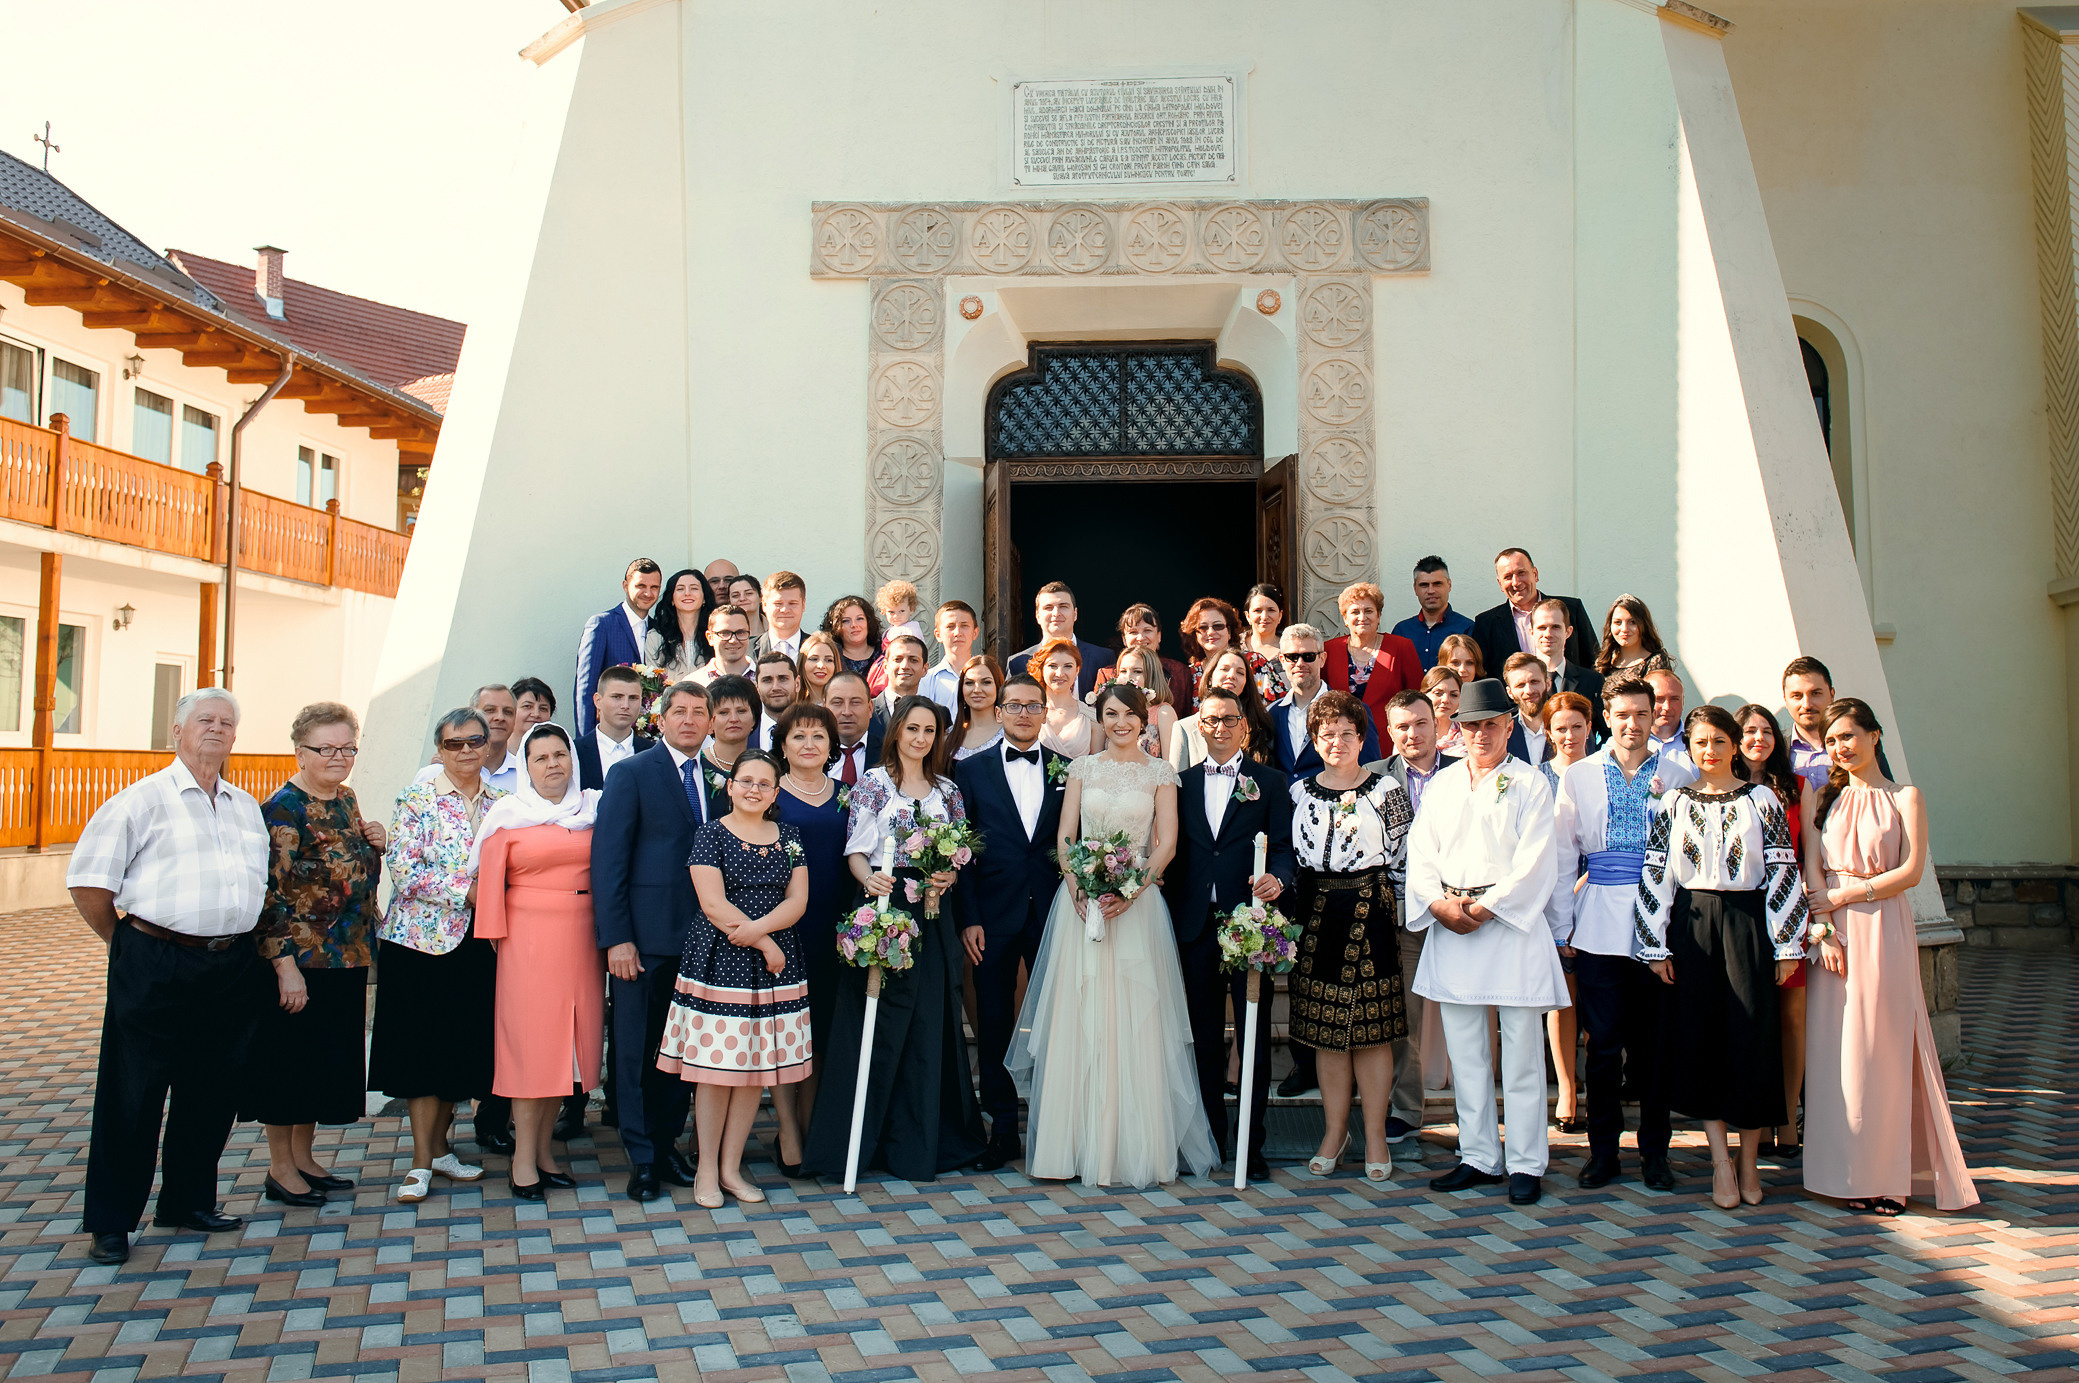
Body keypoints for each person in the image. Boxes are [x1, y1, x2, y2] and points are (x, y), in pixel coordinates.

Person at [68, 688, 271, 1265]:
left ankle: (186, 1202)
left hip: (230, 963)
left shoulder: (244, 806)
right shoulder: (140, 801)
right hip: (156, 960)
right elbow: (89, 882)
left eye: (226, 722)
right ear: (177, 732)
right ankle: (111, 1222)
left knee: (212, 1090)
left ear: (235, 736)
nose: (216, 729)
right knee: (134, 1094)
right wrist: (127, 946)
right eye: (204, 720)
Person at [1008, 682, 1217, 1186]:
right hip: (1081, 907)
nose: (1121, 722)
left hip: (1138, 908)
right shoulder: (1081, 768)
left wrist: (1131, 890)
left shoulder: (1161, 773)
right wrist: (1077, 885)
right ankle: (1071, 1149)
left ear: (1144, 718)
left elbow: (1166, 843)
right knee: (1081, 1016)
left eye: (1129, 714)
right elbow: (1066, 836)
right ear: (1099, 719)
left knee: (1136, 1017)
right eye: (1111, 714)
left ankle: (1133, 1149)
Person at [1801, 699, 1978, 1215]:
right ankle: (1844, 1176)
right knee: (1837, 1056)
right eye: (1831, 741)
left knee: (1882, 1051)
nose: (1840, 747)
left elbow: (1911, 871)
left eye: (1848, 736)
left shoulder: (1906, 797)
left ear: (1874, 735)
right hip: (1833, 936)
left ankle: (1888, 1178)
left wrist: (1846, 895)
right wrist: (1823, 930)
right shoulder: (1823, 796)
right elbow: (1811, 866)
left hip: (1883, 928)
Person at [803, 697, 986, 1180]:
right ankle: (862, 1144)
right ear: (897, 731)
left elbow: (959, 852)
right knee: (878, 1019)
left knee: (929, 1019)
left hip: (934, 913)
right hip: (886, 908)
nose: (921, 738)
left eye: (930, 731)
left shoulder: (948, 790)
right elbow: (855, 850)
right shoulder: (873, 784)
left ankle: (922, 1142)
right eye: (913, 729)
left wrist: (949, 873)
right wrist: (869, 879)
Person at [1635, 705, 1808, 1211]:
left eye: (1717, 741)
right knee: (1701, 1039)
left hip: (1748, 923)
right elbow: (1656, 872)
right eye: (1699, 742)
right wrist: (1655, 946)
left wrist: (1786, 944)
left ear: (1734, 745)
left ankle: (1750, 1160)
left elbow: (1782, 870)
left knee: (1751, 1038)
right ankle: (1719, 1161)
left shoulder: (1762, 799)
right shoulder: (1673, 802)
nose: (1708, 751)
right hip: (1692, 927)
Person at [1406, 677, 1565, 1207]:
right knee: (1465, 1052)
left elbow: (1537, 859)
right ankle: (1477, 1155)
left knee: (1521, 1052)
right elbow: (1421, 852)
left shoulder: (1530, 783)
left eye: (1490, 725)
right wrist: (1437, 904)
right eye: (1471, 725)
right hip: (1453, 923)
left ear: (1508, 725)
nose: (1480, 734)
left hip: (1508, 926)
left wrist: (1486, 907)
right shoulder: (1444, 784)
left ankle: (1525, 1162)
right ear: (1458, 728)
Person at [243, 702, 384, 1209]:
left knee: (319, 1068)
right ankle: (280, 1169)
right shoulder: (283, 809)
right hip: (300, 964)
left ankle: (304, 1159)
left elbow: (350, 871)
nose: (339, 757)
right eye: (326, 748)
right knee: (288, 1067)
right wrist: (284, 967)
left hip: (345, 958)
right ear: (300, 752)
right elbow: (268, 896)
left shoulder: (345, 798)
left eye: (347, 747)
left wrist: (377, 842)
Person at [1550, 677, 1688, 1192]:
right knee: (1603, 1044)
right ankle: (1603, 1150)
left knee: (1654, 1047)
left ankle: (1655, 1152)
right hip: (1598, 922)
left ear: (1655, 717)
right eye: (1622, 715)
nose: (1632, 724)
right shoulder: (1581, 774)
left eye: (1641, 714)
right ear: (1606, 718)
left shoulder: (1679, 773)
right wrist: (1562, 925)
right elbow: (1564, 855)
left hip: (1660, 923)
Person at [659, 750, 811, 1208]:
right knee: (715, 1070)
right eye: (746, 781)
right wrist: (763, 942)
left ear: (776, 792)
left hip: (775, 965)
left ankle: (731, 1168)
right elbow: (712, 902)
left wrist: (764, 937)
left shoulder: (790, 837)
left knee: (753, 1071)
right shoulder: (710, 834)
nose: (754, 790)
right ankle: (706, 1170)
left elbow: (797, 899)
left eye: (764, 784)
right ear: (730, 786)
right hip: (722, 959)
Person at [369, 707, 504, 1203]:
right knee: (421, 1053)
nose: (466, 751)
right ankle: (420, 1162)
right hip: (419, 944)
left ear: (488, 745)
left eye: (475, 741)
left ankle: (443, 1151)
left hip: (479, 943)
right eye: (454, 743)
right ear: (439, 750)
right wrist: (468, 892)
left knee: (459, 1050)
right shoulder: (417, 798)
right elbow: (404, 869)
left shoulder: (504, 804)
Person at [1163, 685, 1293, 1180]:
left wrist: (1277, 878)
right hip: (1196, 925)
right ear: (1199, 726)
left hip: (1250, 927)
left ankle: (1250, 1145)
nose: (1220, 728)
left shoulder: (1270, 782)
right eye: (1211, 720)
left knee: (1253, 1036)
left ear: (1244, 726)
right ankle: (1211, 1139)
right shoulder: (1179, 783)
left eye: (1229, 719)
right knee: (1203, 1036)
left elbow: (1282, 848)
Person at [471, 724, 605, 1199]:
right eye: (541, 757)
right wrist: (496, 937)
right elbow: (488, 881)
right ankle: (523, 1161)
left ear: (572, 759)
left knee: (567, 1051)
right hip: (528, 942)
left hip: (583, 939)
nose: (553, 764)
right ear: (526, 768)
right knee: (533, 1052)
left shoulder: (592, 808)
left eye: (560, 754)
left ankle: (545, 1154)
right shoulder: (509, 813)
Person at [591, 680, 709, 1201]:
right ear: (659, 720)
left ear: (709, 722)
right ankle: (641, 1156)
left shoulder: (720, 779)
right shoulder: (632, 773)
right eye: (678, 711)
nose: (689, 720)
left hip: (701, 942)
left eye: (698, 712)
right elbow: (608, 861)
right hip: (641, 943)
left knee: (680, 1050)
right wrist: (617, 938)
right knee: (636, 1052)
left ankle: (666, 1145)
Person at [1289, 690, 1413, 1183]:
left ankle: (1376, 1136)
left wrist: (1397, 913)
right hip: (1317, 913)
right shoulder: (1298, 793)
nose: (1337, 741)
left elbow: (1404, 856)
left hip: (1372, 911)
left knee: (1371, 1032)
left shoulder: (1386, 790)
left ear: (1362, 739)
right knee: (1327, 1035)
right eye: (1327, 734)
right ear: (1314, 740)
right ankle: (1334, 1133)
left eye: (1347, 733)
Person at [953, 675, 1073, 1169]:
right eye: (1015, 706)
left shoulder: (1068, 770)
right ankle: (1002, 1131)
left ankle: (1053, 1130)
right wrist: (969, 918)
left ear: (1045, 712)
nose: (1024, 714)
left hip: (1054, 912)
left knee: (1056, 1024)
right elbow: (960, 850)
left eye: (1033, 706)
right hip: (992, 918)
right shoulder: (969, 771)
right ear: (999, 712)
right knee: (995, 1023)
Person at [1364, 688, 1462, 1145]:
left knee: (1468, 1013)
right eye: (1402, 726)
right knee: (1404, 1014)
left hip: (1461, 909)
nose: (1412, 734)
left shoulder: (1464, 773)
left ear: (1437, 725)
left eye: (1421, 723)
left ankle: (1473, 1112)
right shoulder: (1372, 778)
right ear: (1389, 731)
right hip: (1402, 913)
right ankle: (1406, 1108)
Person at [770, 703, 847, 1175]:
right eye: (798, 736)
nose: (809, 744)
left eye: (819, 736)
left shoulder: (848, 796)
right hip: (782, 929)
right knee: (785, 1033)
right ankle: (786, 1129)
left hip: (835, 929)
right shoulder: (767, 793)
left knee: (819, 1033)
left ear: (832, 746)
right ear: (782, 745)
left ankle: (813, 1124)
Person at [1736, 701, 1808, 1158]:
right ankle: (1756, 1120)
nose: (1758, 738)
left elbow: (1810, 851)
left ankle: (1786, 1117)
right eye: (1749, 731)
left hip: (1790, 909)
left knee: (1792, 1019)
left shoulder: (1797, 787)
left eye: (1766, 731)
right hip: (1742, 913)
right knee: (1752, 1018)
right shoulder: (1723, 786)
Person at [1537, 688, 1596, 1132]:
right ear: (1548, 732)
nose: (1570, 735)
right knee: (1563, 996)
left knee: (1597, 996)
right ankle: (1567, 1088)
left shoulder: (1603, 772)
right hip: (1552, 896)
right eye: (1561, 728)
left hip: (1599, 892)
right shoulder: (1538, 779)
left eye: (1577, 726)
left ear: (1590, 727)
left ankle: (1597, 1082)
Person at [1271, 623, 1380, 777]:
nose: (1300, 663)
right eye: (1292, 657)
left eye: (1308, 656)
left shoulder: (1353, 710)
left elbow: (1370, 769)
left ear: (1322, 659)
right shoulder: (1271, 713)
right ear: (1282, 660)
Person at [1471, 548, 1597, 677]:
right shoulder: (1486, 623)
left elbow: (1594, 660)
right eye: (1508, 577)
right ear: (1500, 583)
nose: (1516, 582)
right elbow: (1483, 674)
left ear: (1535, 574)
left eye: (1521, 573)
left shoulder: (1571, 609)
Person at [577, 558, 663, 736]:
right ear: (625, 586)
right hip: (608, 733)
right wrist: (586, 741)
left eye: (654, 587)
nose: (648, 593)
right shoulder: (602, 624)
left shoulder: (659, 630)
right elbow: (586, 688)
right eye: (641, 586)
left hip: (648, 737)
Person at [1782, 655, 1892, 791]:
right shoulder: (1775, 747)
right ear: (1785, 699)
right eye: (1797, 696)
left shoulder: (1859, 744)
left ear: (1832, 694)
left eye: (1816, 693)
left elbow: (1885, 793)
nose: (1807, 705)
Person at [1322, 581, 1421, 713]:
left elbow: (1416, 697)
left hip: (1387, 726)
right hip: (1341, 725)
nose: (1362, 617)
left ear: (1378, 616)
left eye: (1368, 611)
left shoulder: (1401, 647)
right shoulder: (1328, 650)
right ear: (1345, 618)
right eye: (1355, 612)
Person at [1170, 650, 1276, 771]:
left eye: (1240, 672)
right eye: (1224, 669)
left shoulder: (1262, 725)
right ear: (1210, 677)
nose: (1231, 675)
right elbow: (1177, 779)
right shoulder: (1184, 728)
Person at [1008, 581, 1116, 697]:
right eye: (1048, 607)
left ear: (1075, 614)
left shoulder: (1103, 658)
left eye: (1063, 606)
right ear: (1037, 616)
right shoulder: (1017, 663)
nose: (1056, 613)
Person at [1184, 596, 1285, 705]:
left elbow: (1281, 705)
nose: (1210, 632)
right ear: (1195, 635)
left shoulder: (1254, 662)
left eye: (1218, 626)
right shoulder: (1191, 674)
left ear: (1229, 632)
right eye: (1203, 627)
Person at [1532, 598, 1605, 737]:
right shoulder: (1520, 683)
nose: (1548, 634)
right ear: (1531, 631)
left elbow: (1606, 731)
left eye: (1555, 627)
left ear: (1568, 632)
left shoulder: (1592, 681)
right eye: (1542, 628)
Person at [578, 664, 655, 790]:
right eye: (617, 697)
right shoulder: (574, 752)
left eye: (633, 698)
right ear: (598, 701)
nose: (625, 705)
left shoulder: (654, 753)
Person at [1392, 556, 1475, 669]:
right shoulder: (1402, 631)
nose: (1431, 591)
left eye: (1437, 584)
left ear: (1449, 585)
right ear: (1415, 589)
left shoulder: (1467, 629)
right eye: (1424, 585)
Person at [1118, 603, 1194, 715]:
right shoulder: (1106, 675)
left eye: (1147, 630)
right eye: (1133, 632)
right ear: (1124, 639)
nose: (1140, 638)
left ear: (1159, 636)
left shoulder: (1180, 672)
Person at [645, 568, 715, 679]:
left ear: (704, 599)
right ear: (672, 599)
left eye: (694, 588)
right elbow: (653, 683)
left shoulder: (716, 636)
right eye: (680, 589)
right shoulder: (656, 637)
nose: (687, 593)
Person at [1034, 637, 1098, 758]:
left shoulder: (1091, 717)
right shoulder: (1028, 713)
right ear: (1042, 669)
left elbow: (1097, 765)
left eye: (1068, 666)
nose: (1060, 674)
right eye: (1052, 666)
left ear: (1077, 670)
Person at [1110, 647, 1178, 758]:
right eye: (1123, 671)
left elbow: (1171, 763)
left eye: (1137, 671)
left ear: (1152, 675)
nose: (1128, 677)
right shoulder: (1110, 711)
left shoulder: (1163, 712)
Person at [701, 675, 759, 795]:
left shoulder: (764, 766)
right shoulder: (695, 764)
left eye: (741, 711)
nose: (733, 719)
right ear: (710, 720)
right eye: (723, 712)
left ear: (754, 718)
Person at [825, 672, 884, 786]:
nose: (846, 712)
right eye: (837, 703)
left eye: (855, 702)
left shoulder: (891, 754)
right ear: (824, 707)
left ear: (870, 708)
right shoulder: (810, 753)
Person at [1594, 594, 1674, 679]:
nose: (1624, 629)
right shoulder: (1603, 662)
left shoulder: (1656, 661)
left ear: (1644, 625)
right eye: (1618, 622)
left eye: (1632, 622)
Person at [921, 600, 981, 711]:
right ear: (938, 635)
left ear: (975, 633)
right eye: (950, 626)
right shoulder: (926, 681)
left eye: (964, 626)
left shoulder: (988, 678)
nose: (957, 633)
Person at [1503, 653, 1554, 768]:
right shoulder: (1503, 735)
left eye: (1534, 682)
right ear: (1510, 692)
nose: (1529, 691)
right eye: (1520, 685)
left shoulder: (1569, 729)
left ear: (1548, 684)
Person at [823, 595, 886, 688]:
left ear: (869, 622)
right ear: (835, 626)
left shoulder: (884, 653)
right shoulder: (831, 657)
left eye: (859, 619)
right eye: (845, 621)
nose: (854, 625)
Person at [951, 654, 1005, 759]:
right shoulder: (948, 736)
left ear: (998, 686)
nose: (977, 690)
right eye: (969, 683)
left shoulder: (1010, 735)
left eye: (986, 682)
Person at [1645, 668, 1695, 775]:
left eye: (1674, 699)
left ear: (1683, 701)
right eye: (1659, 699)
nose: (1667, 707)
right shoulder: (1626, 743)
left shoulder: (1698, 742)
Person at [754, 570, 808, 662]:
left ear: (803, 605)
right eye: (778, 603)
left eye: (792, 603)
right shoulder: (746, 650)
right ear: (764, 605)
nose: (785, 610)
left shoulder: (821, 649)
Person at [695, 605, 755, 685]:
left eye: (740, 633)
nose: (733, 640)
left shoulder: (767, 677)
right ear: (710, 637)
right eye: (725, 633)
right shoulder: (695, 683)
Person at [876, 634, 929, 722]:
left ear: (925, 669)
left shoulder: (939, 714)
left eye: (913, 660)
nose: (905, 666)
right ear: (885, 666)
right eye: (897, 659)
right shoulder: (866, 711)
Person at [753, 652, 799, 752]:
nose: (775, 687)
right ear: (757, 688)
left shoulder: (816, 728)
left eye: (783, 679)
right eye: (767, 680)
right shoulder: (746, 731)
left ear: (797, 684)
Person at [1242, 582, 1288, 674]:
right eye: (1257, 610)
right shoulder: (1234, 645)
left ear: (1280, 615)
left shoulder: (1291, 648)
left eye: (1271, 610)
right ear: (1248, 616)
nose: (1264, 617)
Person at [1423, 666, 1466, 756]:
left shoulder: (1469, 734)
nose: (1445, 700)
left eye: (1453, 695)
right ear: (1424, 695)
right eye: (1438, 693)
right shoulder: (1412, 732)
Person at [875, 578, 924, 649]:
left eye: (902, 611)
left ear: (911, 609)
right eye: (891, 612)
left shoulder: (910, 631)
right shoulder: (892, 629)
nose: (896, 616)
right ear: (884, 611)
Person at [798, 631, 841, 705]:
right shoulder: (790, 705)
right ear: (803, 663)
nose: (821, 666)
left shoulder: (844, 707)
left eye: (829, 660)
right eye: (814, 659)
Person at [728, 573, 769, 642]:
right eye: (735, 595)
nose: (742, 598)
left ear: (761, 597)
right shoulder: (724, 632)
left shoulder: (776, 629)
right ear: (729, 601)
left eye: (749, 593)